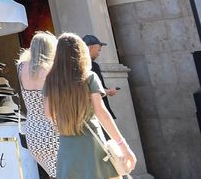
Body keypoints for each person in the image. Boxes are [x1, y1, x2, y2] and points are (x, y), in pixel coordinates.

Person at [43, 33, 135, 178]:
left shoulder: (51, 80)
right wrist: (123, 146)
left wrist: (68, 116)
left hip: (67, 145)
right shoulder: (89, 76)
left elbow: (49, 113)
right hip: (92, 144)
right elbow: (101, 113)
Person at [18, 31, 60, 177]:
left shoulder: (21, 68)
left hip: (32, 130)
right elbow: (50, 111)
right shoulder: (48, 70)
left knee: (53, 174)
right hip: (51, 129)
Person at [82, 35, 118, 118]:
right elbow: (95, 91)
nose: (98, 54)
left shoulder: (74, 66)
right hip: (98, 112)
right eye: (98, 50)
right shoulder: (92, 66)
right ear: (90, 47)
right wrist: (109, 91)